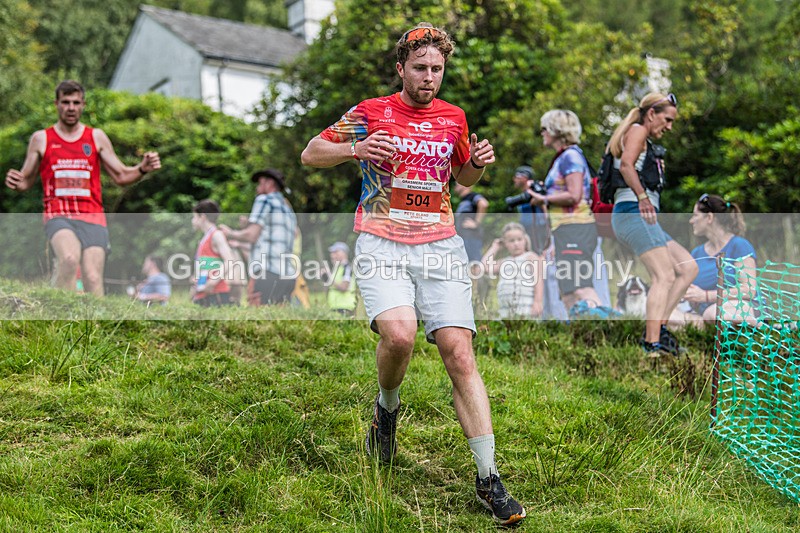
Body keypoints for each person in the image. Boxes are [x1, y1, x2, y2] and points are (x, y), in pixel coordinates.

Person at [300, 23, 526, 526]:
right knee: (399, 338)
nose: (429, 78)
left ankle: (488, 478)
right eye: (420, 68)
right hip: (382, 240)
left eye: (437, 70)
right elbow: (311, 153)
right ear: (401, 68)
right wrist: (354, 150)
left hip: (440, 243)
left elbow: (462, 179)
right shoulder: (371, 112)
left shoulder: (454, 118)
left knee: (459, 352)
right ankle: (387, 410)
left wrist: (481, 165)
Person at [4, 80, 161, 296]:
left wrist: (142, 168)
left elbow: (121, 175)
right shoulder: (41, 139)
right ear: (57, 104)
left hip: (93, 216)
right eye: (66, 102)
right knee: (69, 259)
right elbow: (26, 180)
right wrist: (16, 181)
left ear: (83, 105)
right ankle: (59, 319)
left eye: (76, 102)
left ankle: (95, 327)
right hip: (58, 214)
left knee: (93, 278)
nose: (71, 108)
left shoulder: (96, 137)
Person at [607, 92, 698, 355]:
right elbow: (626, 166)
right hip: (632, 212)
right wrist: (643, 197)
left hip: (642, 215)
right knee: (664, 275)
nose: (669, 126)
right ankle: (652, 344)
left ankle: (660, 328)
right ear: (651, 114)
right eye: (667, 120)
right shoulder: (637, 130)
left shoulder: (643, 137)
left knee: (687, 267)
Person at [526, 109, 614, 318]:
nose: (542, 133)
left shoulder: (570, 156)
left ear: (557, 130)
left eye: (545, 129)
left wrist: (544, 199)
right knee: (567, 291)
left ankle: (609, 328)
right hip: (564, 229)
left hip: (577, 227)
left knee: (581, 287)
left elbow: (574, 195)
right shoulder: (562, 158)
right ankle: (582, 334)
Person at [671, 194, 758, 327]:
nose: (691, 220)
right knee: (664, 313)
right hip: (705, 312)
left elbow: (748, 290)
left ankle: (762, 327)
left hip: (741, 306)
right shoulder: (697, 253)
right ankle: (704, 327)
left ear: (709, 217)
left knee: (713, 313)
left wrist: (706, 296)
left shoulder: (739, 246)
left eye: (695, 215)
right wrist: (690, 296)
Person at [220, 169, 297, 306]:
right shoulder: (288, 210)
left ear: (269, 183)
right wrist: (248, 227)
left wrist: (230, 233)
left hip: (266, 272)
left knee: (258, 321)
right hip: (288, 276)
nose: (257, 188)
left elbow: (251, 236)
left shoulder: (264, 200)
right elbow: (269, 239)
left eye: (260, 183)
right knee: (279, 321)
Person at [480, 222, 543, 319]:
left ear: (525, 240)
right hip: (506, 310)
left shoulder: (530, 257)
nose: (516, 244)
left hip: (526, 308)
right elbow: (484, 267)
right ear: (505, 243)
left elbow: (538, 280)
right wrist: (495, 247)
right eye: (511, 241)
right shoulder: (504, 262)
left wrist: (537, 302)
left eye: (519, 239)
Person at [191, 199, 236, 307]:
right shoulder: (204, 239)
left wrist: (213, 281)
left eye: (194, 217)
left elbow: (230, 260)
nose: (192, 221)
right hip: (203, 293)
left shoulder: (216, 235)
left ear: (202, 217)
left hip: (216, 294)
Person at [453, 181, 488, 263]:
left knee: (475, 263)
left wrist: (476, 223)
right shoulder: (464, 200)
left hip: (471, 237)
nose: (455, 186)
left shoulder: (472, 196)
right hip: (464, 238)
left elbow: (484, 204)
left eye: (457, 184)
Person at [324, 241, 357, 315]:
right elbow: (332, 285)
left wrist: (329, 276)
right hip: (335, 307)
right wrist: (324, 276)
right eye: (332, 253)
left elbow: (344, 287)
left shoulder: (347, 268)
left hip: (345, 307)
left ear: (344, 253)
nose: (332, 255)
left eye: (336, 252)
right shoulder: (338, 268)